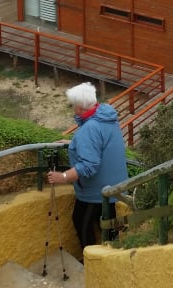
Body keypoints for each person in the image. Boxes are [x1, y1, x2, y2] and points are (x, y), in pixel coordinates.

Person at [47, 82, 127, 252]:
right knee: (109, 226)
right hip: (114, 187)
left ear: (79, 107)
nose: (72, 108)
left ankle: (90, 264)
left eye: (73, 105)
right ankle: (114, 258)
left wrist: (62, 177)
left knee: (81, 220)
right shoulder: (106, 117)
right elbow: (101, 144)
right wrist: (74, 143)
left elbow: (89, 165)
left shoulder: (89, 128)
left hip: (95, 191)